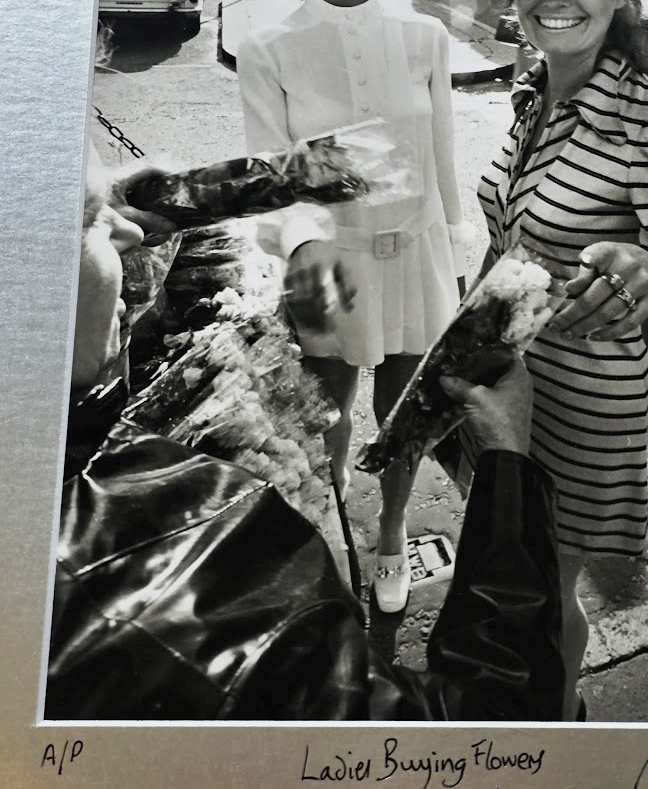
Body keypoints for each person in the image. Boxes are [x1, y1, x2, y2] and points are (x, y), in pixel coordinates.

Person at [45, 158, 564, 722]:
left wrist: (98, 208)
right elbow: (494, 726)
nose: (132, 234)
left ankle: (391, 531)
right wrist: (507, 458)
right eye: (93, 221)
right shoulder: (184, 568)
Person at [444, 0, 648, 719]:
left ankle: (550, 744)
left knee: (538, 595)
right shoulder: (532, 96)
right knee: (513, 571)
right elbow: (509, 241)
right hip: (507, 391)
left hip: (585, 410)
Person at [236, 0, 469, 614]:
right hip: (332, 267)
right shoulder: (267, 46)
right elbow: (275, 174)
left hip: (418, 256)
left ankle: (395, 536)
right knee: (324, 426)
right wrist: (303, 248)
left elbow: (443, 162)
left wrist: (456, 255)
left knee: (406, 420)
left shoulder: (426, 36)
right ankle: (332, 536)